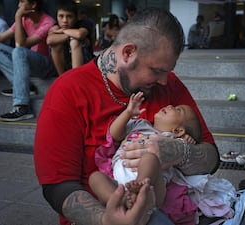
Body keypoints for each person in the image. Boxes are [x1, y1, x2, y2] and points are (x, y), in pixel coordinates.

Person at [34, 7, 219, 225]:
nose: (163, 81)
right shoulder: (68, 91)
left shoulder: (170, 85)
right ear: (128, 53)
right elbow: (57, 186)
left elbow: (212, 157)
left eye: (167, 72)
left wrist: (179, 152)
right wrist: (107, 220)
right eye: (157, 70)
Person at [89, 91, 203, 224]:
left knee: (150, 158)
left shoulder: (171, 139)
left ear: (178, 131)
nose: (171, 106)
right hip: (119, 181)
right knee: (95, 177)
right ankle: (123, 200)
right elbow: (115, 134)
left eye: (178, 110)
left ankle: (139, 192)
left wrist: (186, 141)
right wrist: (127, 113)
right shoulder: (141, 124)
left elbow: (188, 152)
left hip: (152, 188)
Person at [0, 0, 55, 122]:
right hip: (29, 61)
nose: (19, 6)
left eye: (22, 2)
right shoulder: (25, 20)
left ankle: (22, 107)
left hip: (46, 66)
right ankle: (26, 86)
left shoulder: (48, 22)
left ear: (33, 4)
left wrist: (18, 17)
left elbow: (21, 44)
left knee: (18, 51)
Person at [47, 0, 93, 76]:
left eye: (69, 16)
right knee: (56, 44)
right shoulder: (56, 26)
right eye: (61, 16)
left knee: (74, 41)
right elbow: (49, 40)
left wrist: (63, 31)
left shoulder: (83, 24)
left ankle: (76, 78)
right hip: (65, 64)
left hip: (85, 65)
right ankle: (62, 78)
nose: (65, 20)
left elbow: (79, 34)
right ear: (57, 17)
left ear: (75, 18)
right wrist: (70, 34)